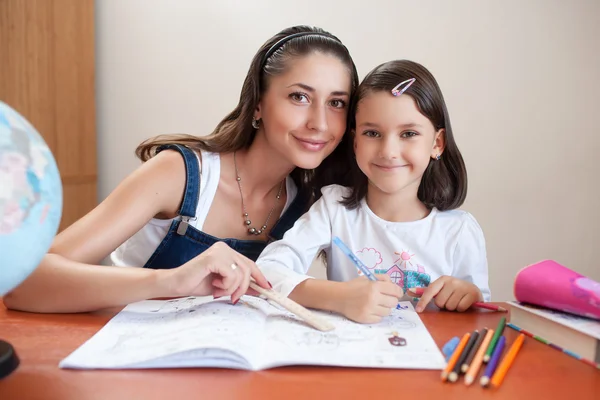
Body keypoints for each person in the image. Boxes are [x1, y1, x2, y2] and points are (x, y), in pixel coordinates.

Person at [3, 25, 359, 313]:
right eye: (299, 97)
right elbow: (24, 283)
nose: (320, 123)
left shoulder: (313, 205)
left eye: (337, 103)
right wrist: (171, 281)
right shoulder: (180, 174)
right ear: (258, 105)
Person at [257, 60, 491, 324]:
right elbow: (268, 272)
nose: (388, 151)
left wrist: (467, 296)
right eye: (372, 133)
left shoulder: (459, 231)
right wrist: (339, 296)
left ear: (437, 143)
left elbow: (482, 315)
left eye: (409, 133)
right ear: (355, 141)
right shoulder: (334, 210)